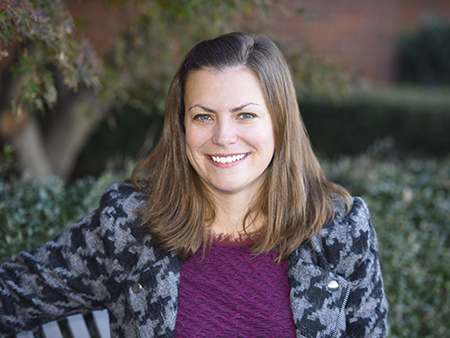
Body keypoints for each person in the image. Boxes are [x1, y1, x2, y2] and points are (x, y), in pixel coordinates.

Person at [0, 32, 388, 337]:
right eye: (203, 117)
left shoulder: (337, 231)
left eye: (245, 115)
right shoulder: (130, 227)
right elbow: (13, 296)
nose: (224, 136)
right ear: (181, 126)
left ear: (280, 123)